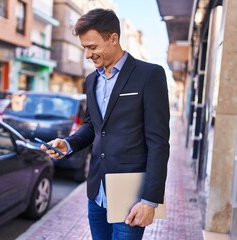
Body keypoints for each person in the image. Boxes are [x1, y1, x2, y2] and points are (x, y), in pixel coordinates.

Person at [41, 8, 170, 240]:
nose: (87, 55)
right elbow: (93, 126)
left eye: (92, 47)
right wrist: (68, 144)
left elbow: (158, 142)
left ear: (113, 38)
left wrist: (150, 200)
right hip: (97, 192)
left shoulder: (149, 75)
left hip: (130, 196)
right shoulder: (91, 80)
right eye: (84, 48)